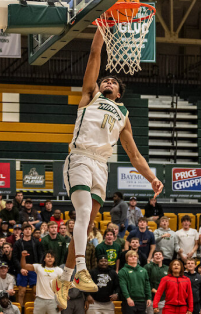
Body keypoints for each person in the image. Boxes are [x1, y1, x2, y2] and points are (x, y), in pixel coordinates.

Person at [53, 31, 164, 311]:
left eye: (113, 81)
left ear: (119, 92)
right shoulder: (90, 95)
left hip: (101, 165)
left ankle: (64, 279)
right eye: (106, 79)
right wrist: (102, 28)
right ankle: (80, 269)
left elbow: (135, 155)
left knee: (89, 225)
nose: (108, 81)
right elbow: (94, 55)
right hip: (79, 156)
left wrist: (152, 177)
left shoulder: (123, 115)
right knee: (81, 214)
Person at [20, 249, 63, 314]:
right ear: (44, 259)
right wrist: (23, 256)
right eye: (48, 257)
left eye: (52, 257)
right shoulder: (38, 267)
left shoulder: (59, 270)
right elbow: (24, 266)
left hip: (54, 301)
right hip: (40, 300)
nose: (50, 259)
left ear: (54, 259)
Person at [12, 223, 44, 307]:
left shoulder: (36, 242)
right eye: (26, 229)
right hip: (22, 269)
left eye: (29, 229)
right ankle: (20, 311)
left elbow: (41, 255)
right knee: (21, 292)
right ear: (22, 231)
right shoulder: (18, 243)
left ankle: (36, 311)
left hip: (34, 269)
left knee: (35, 292)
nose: (27, 230)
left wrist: (38, 267)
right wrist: (20, 269)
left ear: (31, 231)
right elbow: (14, 258)